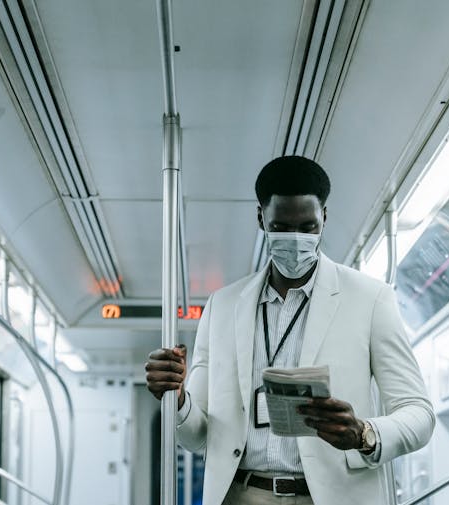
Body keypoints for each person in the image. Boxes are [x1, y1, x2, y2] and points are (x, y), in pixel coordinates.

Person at [145, 156, 434, 505]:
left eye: (308, 227)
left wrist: (364, 433)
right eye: (281, 227)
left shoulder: (371, 299)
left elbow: (419, 413)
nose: (296, 239)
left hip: (330, 496)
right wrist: (176, 400)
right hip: (242, 494)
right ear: (261, 219)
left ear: (324, 218)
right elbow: (198, 437)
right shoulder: (222, 307)